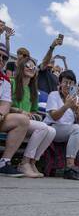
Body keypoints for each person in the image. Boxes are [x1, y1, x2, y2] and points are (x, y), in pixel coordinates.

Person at [43, 70, 79, 181]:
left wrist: (76, 110)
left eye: (71, 83)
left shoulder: (77, 99)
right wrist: (66, 106)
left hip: (69, 130)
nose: (68, 85)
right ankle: (70, 167)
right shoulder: (53, 95)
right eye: (65, 82)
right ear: (60, 83)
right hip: (53, 128)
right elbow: (54, 117)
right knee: (77, 129)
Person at [10, 58, 56, 178]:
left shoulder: (33, 90)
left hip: (26, 121)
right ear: (21, 67)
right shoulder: (12, 82)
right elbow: (5, 105)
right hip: (12, 118)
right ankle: (24, 163)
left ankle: (32, 162)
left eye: (34, 67)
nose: (31, 68)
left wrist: (34, 115)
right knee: (43, 128)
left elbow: (34, 110)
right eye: (28, 65)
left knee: (52, 131)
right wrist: (20, 111)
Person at [0, 43, 29, 177]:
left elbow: (5, 104)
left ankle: (4, 162)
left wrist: (1, 114)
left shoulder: (5, 81)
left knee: (23, 120)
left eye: (4, 58)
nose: (1, 59)